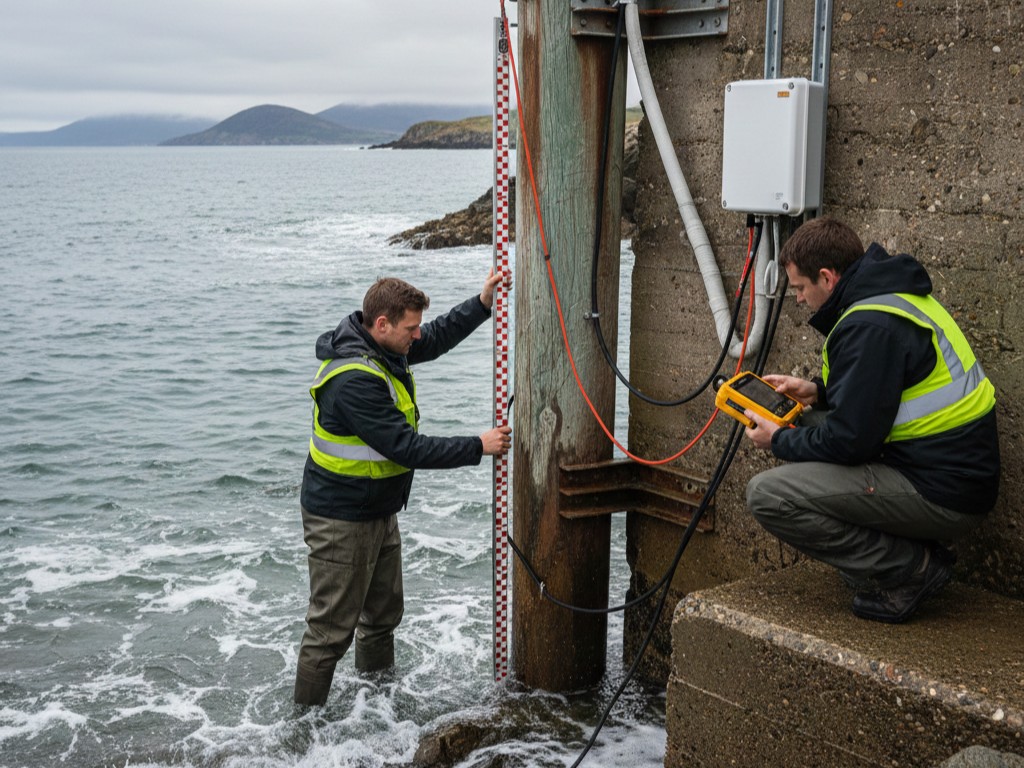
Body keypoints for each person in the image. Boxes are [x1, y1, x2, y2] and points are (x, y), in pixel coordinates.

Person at [743, 217, 999, 624]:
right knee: (808, 421)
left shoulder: (868, 325)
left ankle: (910, 568)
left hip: (944, 493)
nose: (798, 300)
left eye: (799, 288)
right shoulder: (889, 294)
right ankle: (902, 551)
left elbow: (849, 442)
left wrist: (778, 441)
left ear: (826, 278)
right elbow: (887, 388)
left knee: (767, 495)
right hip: (948, 469)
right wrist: (817, 391)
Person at [293, 272, 512, 706]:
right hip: (339, 518)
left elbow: (435, 336)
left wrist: (482, 303)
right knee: (329, 633)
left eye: (416, 326)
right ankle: (304, 732)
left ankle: (377, 705)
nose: (417, 335)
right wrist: (477, 446)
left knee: (381, 618)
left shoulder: (385, 348)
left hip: (376, 508)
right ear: (381, 324)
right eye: (410, 328)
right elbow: (406, 447)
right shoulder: (354, 380)